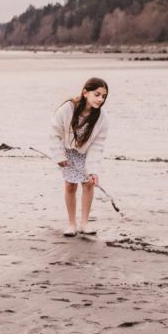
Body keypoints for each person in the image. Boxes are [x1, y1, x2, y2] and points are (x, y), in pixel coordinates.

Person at [49, 77, 110, 236]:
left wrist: (92, 170)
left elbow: (98, 146)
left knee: (88, 184)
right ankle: (71, 224)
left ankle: (84, 223)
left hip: (88, 152)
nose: (100, 99)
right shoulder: (68, 108)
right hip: (68, 150)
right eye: (97, 94)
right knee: (70, 185)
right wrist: (59, 156)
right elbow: (54, 133)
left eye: (103, 96)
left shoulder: (103, 118)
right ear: (85, 93)